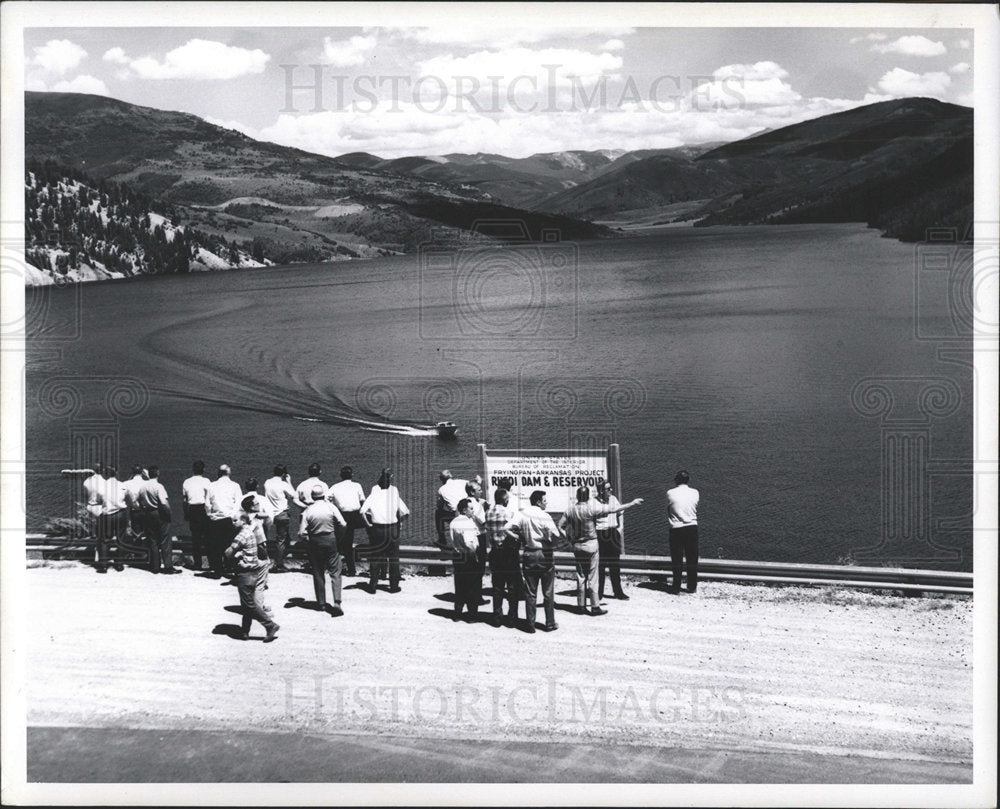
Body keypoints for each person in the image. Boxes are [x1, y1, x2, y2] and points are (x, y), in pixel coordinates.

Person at [559, 486, 643, 615]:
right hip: (591, 543)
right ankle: (595, 606)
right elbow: (614, 509)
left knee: (581, 576)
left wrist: (569, 538)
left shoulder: (570, 510)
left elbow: (560, 526)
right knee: (593, 577)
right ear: (587, 497)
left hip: (577, 545)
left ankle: (581, 606)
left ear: (577, 496)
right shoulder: (591, 508)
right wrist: (632, 503)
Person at [503, 490, 562, 633]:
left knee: (530, 591)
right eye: (545, 500)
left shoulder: (523, 513)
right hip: (544, 553)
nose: (546, 502)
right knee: (548, 591)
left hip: (529, 552)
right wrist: (551, 544)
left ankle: (530, 624)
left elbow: (506, 528)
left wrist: (519, 537)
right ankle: (549, 623)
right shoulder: (545, 516)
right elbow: (556, 535)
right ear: (538, 502)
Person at [224, 495, 279, 642]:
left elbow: (229, 552)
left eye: (235, 520)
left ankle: (269, 624)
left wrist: (235, 555)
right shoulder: (253, 524)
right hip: (255, 564)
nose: (233, 522)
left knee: (249, 602)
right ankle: (245, 631)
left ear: (242, 519)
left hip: (247, 569)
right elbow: (259, 544)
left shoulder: (245, 530)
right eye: (256, 503)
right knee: (247, 600)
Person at [298, 484, 347, 615]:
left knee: (318, 572)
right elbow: (343, 524)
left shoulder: (308, 510)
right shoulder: (331, 507)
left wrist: (309, 539)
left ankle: (321, 603)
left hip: (315, 541)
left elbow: (301, 533)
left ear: (313, 497)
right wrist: (338, 537)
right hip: (331, 539)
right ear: (323, 495)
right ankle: (337, 602)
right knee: (335, 571)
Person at [361, 469, 409, 593]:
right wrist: (399, 522)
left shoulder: (373, 495)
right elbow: (406, 512)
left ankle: (373, 585)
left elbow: (362, 511)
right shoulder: (394, 495)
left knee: (376, 557)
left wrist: (368, 524)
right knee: (393, 557)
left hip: (377, 529)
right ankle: (393, 586)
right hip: (392, 528)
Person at [485, 488, 520, 627]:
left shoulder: (488, 513)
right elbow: (517, 529)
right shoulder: (509, 513)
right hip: (508, 552)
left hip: (495, 551)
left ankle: (497, 616)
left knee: (497, 586)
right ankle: (512, 617)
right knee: (512, 586)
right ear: (505, 499)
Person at [137, 466, 179, 574]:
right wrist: (169, 513)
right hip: (159, 513)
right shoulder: (159, 486)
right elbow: (164, 502)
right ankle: (168, 566)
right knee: (165, 540)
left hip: (148, 514)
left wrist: (144, 509)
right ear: (158, 473)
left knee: (152, 540)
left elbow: (138, 501)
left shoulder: (142, 487)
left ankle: (155, 566)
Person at [450, 498, 486, 622]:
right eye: (471, 508)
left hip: (457, 555)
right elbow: (468, 542)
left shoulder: (454, 522)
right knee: (473, 585)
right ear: (464, 510)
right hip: (468, 556)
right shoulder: (468, 523)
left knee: (459, 584)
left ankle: (457, 612)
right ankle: (472, 614)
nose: (473, 511)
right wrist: (475, 555)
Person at [204, 464, 243, 578]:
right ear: (228, 472)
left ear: (218, 472)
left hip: (215, 519)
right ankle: (229, 567)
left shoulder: (211, 485)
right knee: (230, 545)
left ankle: (218, 569)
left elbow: (207, 504)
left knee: (215, 546)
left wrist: (210, 515)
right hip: (229, 519)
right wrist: (234, 517)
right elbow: (238, 503)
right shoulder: (235, 486)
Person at [329, 466, 367, 577]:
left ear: (341, 476)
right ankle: (351, 568)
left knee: (343, 543)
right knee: (348, 543)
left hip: (342, 515)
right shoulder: (357, 485)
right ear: (352, 475)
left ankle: (346, 568)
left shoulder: (335, 487)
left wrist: (334, 506)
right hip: (356, 516)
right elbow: (363, 501)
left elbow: (326, 498)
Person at [667, 470, 700, 594]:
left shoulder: (670, 493)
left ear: (677, 480)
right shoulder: (695, 492)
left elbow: (670, 507)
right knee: (692, 558)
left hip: (676, 528)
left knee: (677, 558)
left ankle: (676, 586)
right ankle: (692, 586)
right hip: (692, 527)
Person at [596, 481, 629, 601]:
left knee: (615, 564)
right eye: (608, 489)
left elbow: (620, 512)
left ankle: (618, 592)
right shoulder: (594, 502)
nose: (611, 490)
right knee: (600, 565)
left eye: (611, 488)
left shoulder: (613, 499)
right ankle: (598, 593)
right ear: (601, 491)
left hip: (613, 533)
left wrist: (620, 528)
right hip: (600, 533)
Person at [263, 464, 297, 573]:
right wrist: (289, 482)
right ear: (283, 474)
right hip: (282, 514)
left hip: (269, 514)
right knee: (280, 540)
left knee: (271, 538)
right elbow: (294, 495)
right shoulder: (283, 484)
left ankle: (266, 560)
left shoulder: (267, 482)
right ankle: (279, 564)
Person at [94, 465, 127, 574]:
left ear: (105, 474)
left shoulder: (101, 487)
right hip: (120, 514)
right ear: (116, 473)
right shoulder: (122, 485)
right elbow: (127, 497)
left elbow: (97, 501)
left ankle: (103, 566)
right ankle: (119, 564)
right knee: (120, 539)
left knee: (104, 540)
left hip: (107, 515)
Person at [182, 460, 211, 571]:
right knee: (208, 537)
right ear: (203, 470)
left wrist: (186, 513)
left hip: (192, 509)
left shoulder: (186, 482)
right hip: (203, 509)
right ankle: (210, 562)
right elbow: (209, 497)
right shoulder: (206, 481)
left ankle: (197, 564)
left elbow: (184, 500)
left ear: (193, 469)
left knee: (196, 538)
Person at [434, 469, 468, 549]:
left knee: (438, 513)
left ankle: (442, 540)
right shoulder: (462, 482)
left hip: (456, 514)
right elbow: (472, 484)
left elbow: (439, 506)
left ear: (442, 480)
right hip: (468, 511)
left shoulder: (441, 489)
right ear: (451, 476)